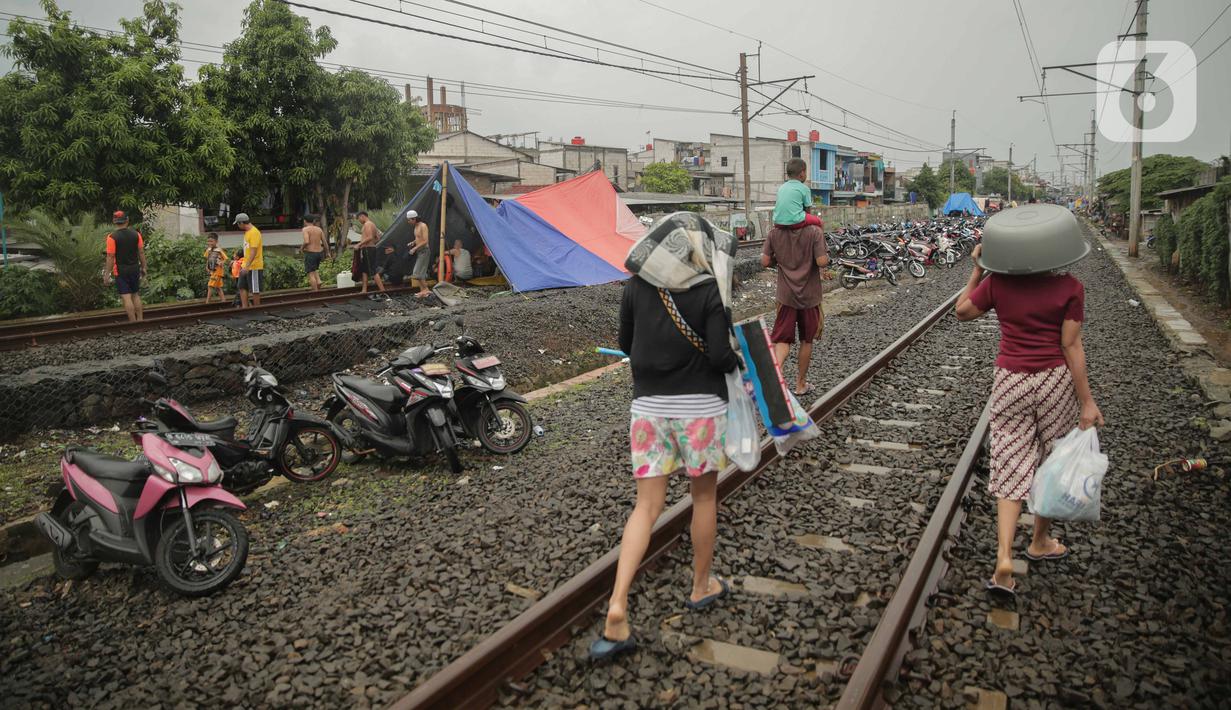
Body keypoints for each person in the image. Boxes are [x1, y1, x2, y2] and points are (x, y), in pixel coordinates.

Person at [591, 217, 740, 662]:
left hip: (649, 411)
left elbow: (625, 344)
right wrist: (737, 360)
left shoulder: (636, 286)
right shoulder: (709, 288)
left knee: (646, 507)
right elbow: (719, 356)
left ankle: (617, 607)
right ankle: (700, 587)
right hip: (700, 412)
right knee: (704, 499)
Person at [955, 237, 1104, 596]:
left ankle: (1004, 557)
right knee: (1050, 461)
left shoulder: (998, 283)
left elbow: (962, 311)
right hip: (1054, 381)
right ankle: (1039, 541)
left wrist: (978, 270)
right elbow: (1071, 345)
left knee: (1009, 463)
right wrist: (1087, 401)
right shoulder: (1070, 288)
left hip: (1010, 381)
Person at [761, 215, 829, 396]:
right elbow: (822, 261)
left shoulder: (774, 233)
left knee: (782, 339)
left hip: (786, 296)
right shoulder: (814, 231)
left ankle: (776, 381)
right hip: (810, 297)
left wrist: (780, 261)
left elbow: (765, 261)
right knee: (807, 340)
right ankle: (800, 385)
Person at [104, 210, 147, 322]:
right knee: (135, 295)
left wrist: (107, 274)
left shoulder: (112, 238)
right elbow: (141, 252)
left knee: (126, 297)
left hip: (120, 271)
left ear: (114, 221)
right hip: (134, 269)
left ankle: (133, 323)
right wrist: (144, 267)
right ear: (127, 220)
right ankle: (140, 320)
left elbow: (110, 257)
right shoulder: (136, 235)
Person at [773, 158, 823, 231]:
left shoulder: (781, 187)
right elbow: (808, 210)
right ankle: (822, 242)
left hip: (778, 222)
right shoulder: (804, 188)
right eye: (806, 172)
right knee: (820, 222)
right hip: (795, 221)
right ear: (802, 174)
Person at [235, 213, 263, 308]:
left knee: (255, 289)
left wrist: (247, 266)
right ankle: (245, 307)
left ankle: (256, 309)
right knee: (242, 286)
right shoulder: (247, 232)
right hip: (245, 265)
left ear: (242, 223)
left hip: (254, 266)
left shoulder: (254, 232)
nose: (238, 226)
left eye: (238, 224)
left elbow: (253, 251)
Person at [407, 210, 432, 298]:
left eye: (409, 220)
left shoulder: (423, 226)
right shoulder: (416, 226)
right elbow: (418, 238)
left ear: (414, 219)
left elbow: (425, 241)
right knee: (421, 273)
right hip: (420, 251)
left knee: (417, 273)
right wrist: (413, 243)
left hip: (424, 251)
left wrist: (414, 248)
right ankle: (423, 291)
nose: (408, 222)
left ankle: (426, 290)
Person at [355, 211, 381, 293]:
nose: (359, 220)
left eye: (358, 218)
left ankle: (383, 290)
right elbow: (377, 238)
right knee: (364, 270)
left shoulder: (367, 224)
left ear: (362, 216)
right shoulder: (372, 224)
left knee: (373, 271)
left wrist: (359, 244)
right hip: (369, 248)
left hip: (368, 249)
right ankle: (364, 290)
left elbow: (370, 237)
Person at [302, 214, 326, 291]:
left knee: (310, 273)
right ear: (313, 221)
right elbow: (324, 242)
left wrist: (301, 248)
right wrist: (328, 252)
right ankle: (318, 281)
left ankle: (315, 292)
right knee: (314, 269)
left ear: (305, 221)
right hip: (319, 253)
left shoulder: (305, 229)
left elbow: (306, 241)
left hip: (311, 253)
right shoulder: (319, 229)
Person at [203, 232, 228, 304]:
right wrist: (207, 267)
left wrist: (221, 263)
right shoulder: (208, 250)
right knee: (218, 287)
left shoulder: (219, 250)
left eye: (211, 241)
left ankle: (207, 302)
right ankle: (224, 301)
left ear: (216, 241)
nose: (209, 243)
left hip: (218, 271)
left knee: (210, 285)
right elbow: (208, 259)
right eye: (208, 241)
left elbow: (226, 259)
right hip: (212, 271)